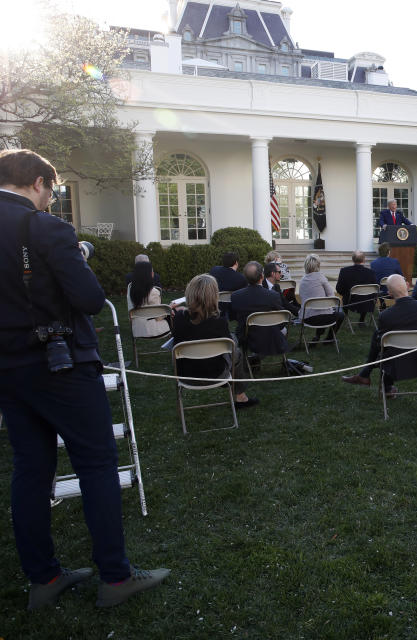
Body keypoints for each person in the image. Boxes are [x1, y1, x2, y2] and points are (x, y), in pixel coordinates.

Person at [0, 149, 168, 610]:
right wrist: (75, 259)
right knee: (97, 465)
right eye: (51, 192)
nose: (50, 201)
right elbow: (91, 299)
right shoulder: (46, 228)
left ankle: (43, 577)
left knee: (30, 470)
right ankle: (115, 577)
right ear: (37, 182)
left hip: (9, 370)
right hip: (60, 364)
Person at [341, 274, 417, 395]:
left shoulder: (386, 316)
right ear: (407, 285)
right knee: (381, 339)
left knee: (381, 342)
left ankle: (372, 378)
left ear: (389, 293)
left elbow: (380, 346)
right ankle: (375, 381)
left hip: (396, 366)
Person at [170, 274, 258, 408]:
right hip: (217, 374)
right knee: (235, 350)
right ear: (214, 296)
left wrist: (180, 312)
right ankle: (241, 397)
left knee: (232, 344)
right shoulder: (219, 322)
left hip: (185, 375)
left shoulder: (179, 319)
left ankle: (241, 396)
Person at [231, 261, 290, 356]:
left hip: (248, 337)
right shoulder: (273, 295)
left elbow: (235, 317)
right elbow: (281, 321)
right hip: (272, 336)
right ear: (262, 276)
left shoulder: (236, 296)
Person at [298, 254, 344, 345]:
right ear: (318, 265)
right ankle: (329, 339)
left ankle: (317, 336)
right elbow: (332, 296)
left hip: (307, 318)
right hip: (324, 318)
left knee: (322, 310)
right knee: (340, 314)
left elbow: (302, 297)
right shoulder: (321, 277)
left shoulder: (302, 280)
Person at [127, 261, 170, 338]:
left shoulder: (130, 291)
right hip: (153, 330)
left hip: (137, 330)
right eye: (152, 271)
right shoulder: (153, 292)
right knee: (178, 315)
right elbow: (159, 317)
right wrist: (169, 309)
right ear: (149, 274)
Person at [335, 250, 378, 326]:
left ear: (352, 259)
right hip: (368, 302)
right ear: (364, 260)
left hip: (350, 302)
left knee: (345, 298)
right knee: (366, 296)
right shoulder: (371, 273)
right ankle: (362, 319)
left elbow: (339, 289)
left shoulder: (344, 271)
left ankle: (346, 318)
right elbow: (376, 290)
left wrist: (345, 294)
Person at [210, 251, 246, 321]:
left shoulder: (214, 270)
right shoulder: (241, 278)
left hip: (212, 305)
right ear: (236, 263)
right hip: (232, 311)